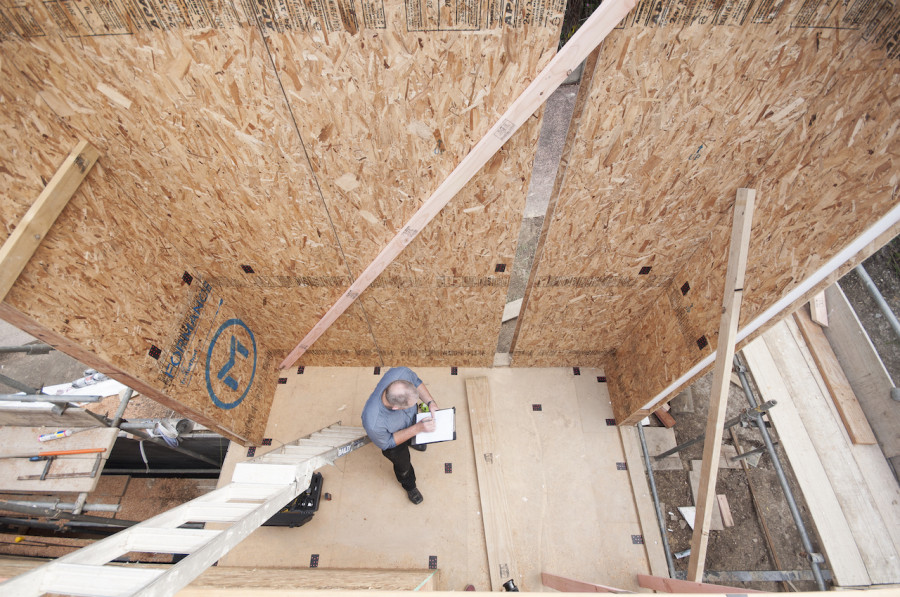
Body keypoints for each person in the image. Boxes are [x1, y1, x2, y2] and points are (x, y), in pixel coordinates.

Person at [361, 367, 439, 504]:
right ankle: (410, 486)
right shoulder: (373, 422)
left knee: (415, 435)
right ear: (396, 408)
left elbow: (416, 381)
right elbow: (387, 443)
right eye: (411, 405)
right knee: (403, 465)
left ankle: (413, 441)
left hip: (411, 423)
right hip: (394, 441)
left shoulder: (400, 373)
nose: (416, 406)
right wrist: (418, 428)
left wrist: (430, 402)